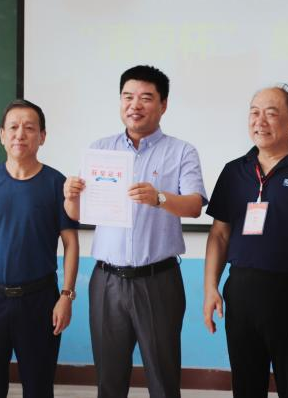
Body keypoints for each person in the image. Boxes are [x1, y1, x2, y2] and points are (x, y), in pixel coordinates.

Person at [63, 65, 207, 398]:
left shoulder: (181, 151)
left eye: (145, 98)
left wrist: (159, 198)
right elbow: (78, 213)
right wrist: (70, 196)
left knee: (163, 379)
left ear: (163, 104)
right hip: (106, 280)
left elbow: (194, 205)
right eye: (128, 97)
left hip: (158, 280)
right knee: (109, 380)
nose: (135, 105)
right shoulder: (100, 150)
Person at [203, 85, 288, 398]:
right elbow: (219, 234)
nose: (260, 121)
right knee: (245, 386)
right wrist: (210, 287)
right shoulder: (234, 171)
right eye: (254, 112)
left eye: (271, 113)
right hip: (240, 293)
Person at [0, 99, 79, 398]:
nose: (20, 134)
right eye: (13, 127)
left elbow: (71, 243)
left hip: (39, 301)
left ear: (42, 136)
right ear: (2, 135)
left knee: (39, 389)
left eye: (29, 128)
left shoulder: (56, 183)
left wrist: (66, 296)